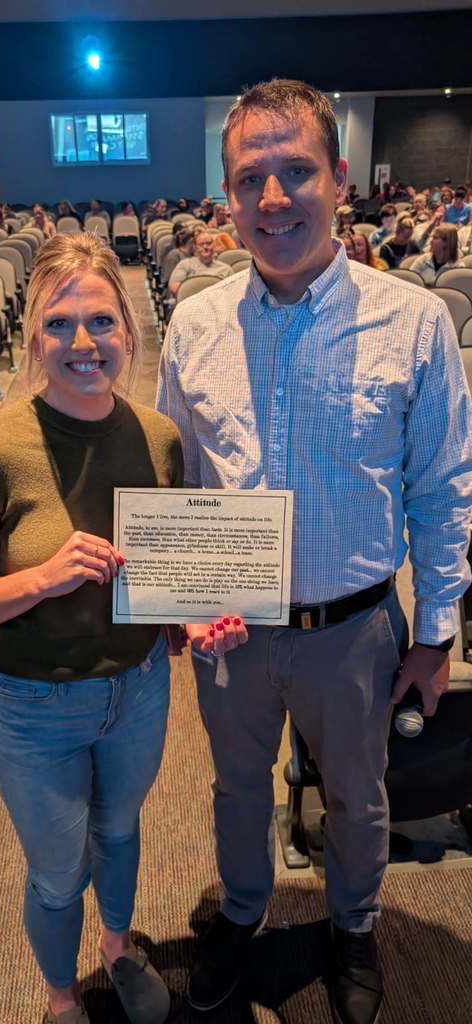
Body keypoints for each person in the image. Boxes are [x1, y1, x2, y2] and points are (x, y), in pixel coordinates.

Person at [157, 77, 472, 1024]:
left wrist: (439, 629)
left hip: (357, 630)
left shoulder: (414, 322)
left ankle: (353, 926)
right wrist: (178, 595)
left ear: (340, 179)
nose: (274, 197)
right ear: (228, 197)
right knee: (234, 792)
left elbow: (444, 487)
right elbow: (178, 485)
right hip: (236, 631)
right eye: (251, 177)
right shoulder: (195, 325)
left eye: (297, 171)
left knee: (358, 798)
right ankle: (245, 916)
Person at [0, 232, 183, 1024]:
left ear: (128, 331)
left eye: (101, 322)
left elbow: (164, 574)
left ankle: (115, 946)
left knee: (122, 831)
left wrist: (191, 627)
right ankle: (60, 994)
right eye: (60, 323)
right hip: (34, 705)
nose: (83, 343)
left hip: (139, 688)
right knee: (55, 871)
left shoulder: (159, 438)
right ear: (34, 333)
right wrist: (39, 576)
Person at [167, 231, 234, 297]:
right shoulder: (185, 264)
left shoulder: (226, 269)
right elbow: (173, 287)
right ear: (195, 247)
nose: (205, 247)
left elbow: (233, 292)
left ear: (214, 245)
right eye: (201, 244)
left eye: (208, 243)